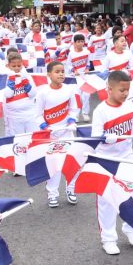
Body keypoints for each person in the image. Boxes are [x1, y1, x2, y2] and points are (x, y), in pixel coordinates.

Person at [91, 71, 133, 255]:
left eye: (127, 90)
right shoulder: (100, 111)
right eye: (122, 90)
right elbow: (95, 137)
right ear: (109, 89)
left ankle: (130, 228)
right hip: (105, 161)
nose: (125, 93)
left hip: (127, 157)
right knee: (107, 201)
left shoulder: (129, 106)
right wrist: (104, 138)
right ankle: (108, 239)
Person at [35, 61, 79, 208]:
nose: (61, 74)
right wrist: (45, 127)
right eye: (57, 71)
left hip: (67, 133)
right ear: (49, 74)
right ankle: (52, 194)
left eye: (62, 71)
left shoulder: (69, 89)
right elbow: (37, 115)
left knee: (71, 162)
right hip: (51, 135)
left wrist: (72, 120)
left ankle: (71, 189)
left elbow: (73, 108)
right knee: (54, 165)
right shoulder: (43, 93)